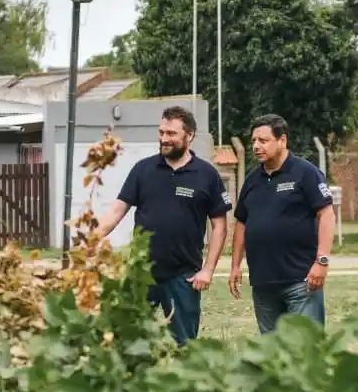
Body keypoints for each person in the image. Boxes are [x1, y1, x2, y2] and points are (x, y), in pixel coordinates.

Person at [93, 105, 230, 345]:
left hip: (184, 277)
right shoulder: (143, 170)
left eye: (171, 134)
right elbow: (117, 210)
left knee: (184, 345)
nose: (164, 139)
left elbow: (219, 225)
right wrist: (91, 240)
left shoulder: (207, 175)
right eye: (161, 133)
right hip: (142, 273)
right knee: (129, 340)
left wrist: (207, 270)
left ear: (189, 136)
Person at [228, 114, 335, 334]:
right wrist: (235, 265)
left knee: (306, 348)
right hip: (263, 284)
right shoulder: (252, 180)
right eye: (254, 141)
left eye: (263, 140)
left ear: (282, 140)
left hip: (301, 281)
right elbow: (241, 223)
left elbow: (326, 214)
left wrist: (322, 261)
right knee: (272, 355)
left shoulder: (306, 173)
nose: (256, 146)